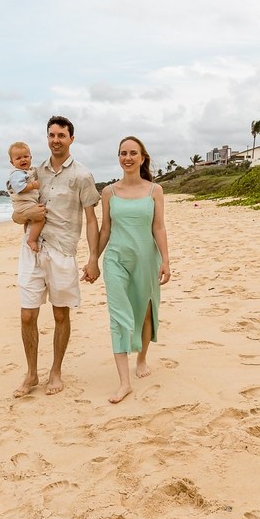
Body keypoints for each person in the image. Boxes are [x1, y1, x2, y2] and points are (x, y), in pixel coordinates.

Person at [12, 116, 100, 397]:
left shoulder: (82, 175)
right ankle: (31, 374)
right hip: (32, 250)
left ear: (71, 139)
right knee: (27, 316)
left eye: (61, 135)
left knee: (61, 314)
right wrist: (24, 215)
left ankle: (56, 371)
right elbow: (16, 214)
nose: (55, 140)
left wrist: (93, 258)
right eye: (51, 135)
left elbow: (91, 219)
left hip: (63, 251)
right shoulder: (33, 172)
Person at [97, 136, 171, 403]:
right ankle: (124, 382)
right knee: (118, 316)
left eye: (132, 153)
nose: (127, 158)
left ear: (142, 157)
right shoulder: (109, 192)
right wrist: (93, 259)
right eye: (123, 153)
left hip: (146, 260)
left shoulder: (155, 190)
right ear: (119, 157)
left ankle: (141, 358)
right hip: (116, 259)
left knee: (146, 310)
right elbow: (105, 229)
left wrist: (166, 259)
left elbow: (158, 227)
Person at [5, 141, 45, 253]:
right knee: (40, 218)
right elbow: (19, 187)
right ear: (12, 162)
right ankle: (31, 240)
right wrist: (33, 185)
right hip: (24, 204)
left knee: (29, 222)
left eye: (26, 156)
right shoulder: (17, 173)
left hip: (26, 203)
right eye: (18, 158)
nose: (23, 160)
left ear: (31, 157)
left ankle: (28, 236)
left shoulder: (26, 172)